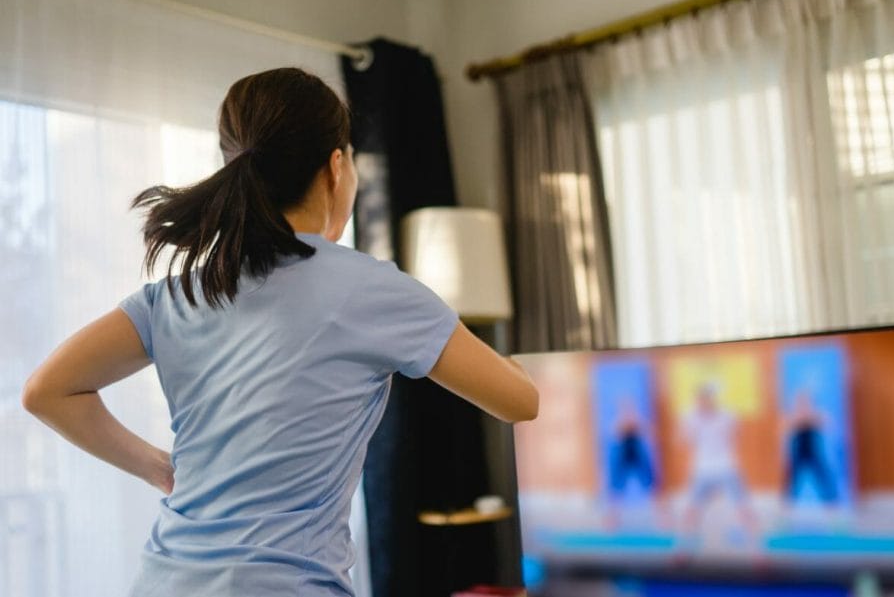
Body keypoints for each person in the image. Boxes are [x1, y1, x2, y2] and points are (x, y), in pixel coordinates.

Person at [21, 67, 539, 597]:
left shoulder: (179, 293)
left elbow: (48, 392)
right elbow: (520, 401)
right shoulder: (371, 289)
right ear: (336, 167)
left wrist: (160, 468)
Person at [679, 382, 757, 546]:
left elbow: (736, 434)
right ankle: (683, 547)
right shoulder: (689, 416)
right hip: (701, 469)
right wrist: (695, 420)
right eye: (700, 398)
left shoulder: (727, 415)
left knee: (743, 507)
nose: (703, 401)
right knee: (691, 508)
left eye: (707, 397)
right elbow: (685, 440)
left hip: (726, 466)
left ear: (713, 398)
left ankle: (759, 551)